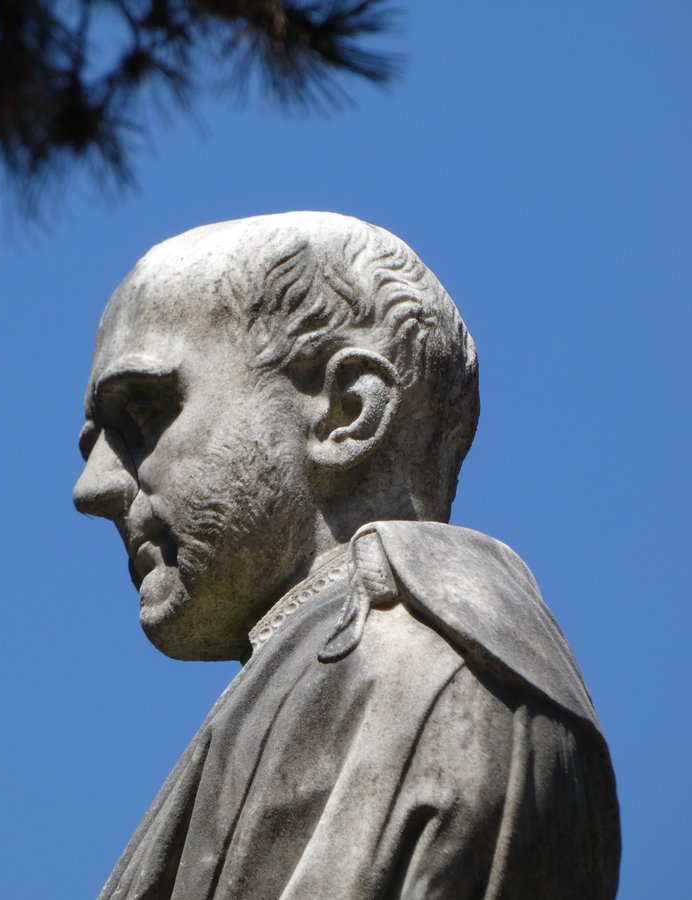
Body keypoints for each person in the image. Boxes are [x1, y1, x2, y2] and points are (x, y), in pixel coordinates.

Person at [73, 211, 620, 899]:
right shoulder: (321, 678)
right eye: (93, 442)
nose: (91, 488)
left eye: (143, 414)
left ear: (345, 411)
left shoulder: (414, 675)